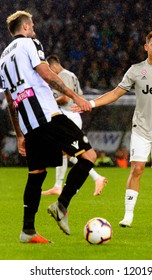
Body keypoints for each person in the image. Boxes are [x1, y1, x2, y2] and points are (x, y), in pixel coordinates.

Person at [0, 11, 95, 244]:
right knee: (88, 156)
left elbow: (11, 101)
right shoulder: (30, 43)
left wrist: (20, 133)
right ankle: (61, 206)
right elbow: (46, 74)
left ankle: (27, 231)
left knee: (37, 174)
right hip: (47, 115)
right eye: (32, 25)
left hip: (29, 123)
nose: (34, 28)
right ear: (25, 26)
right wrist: (75, 97)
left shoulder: (2, 60)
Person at [74, 30, 152, 227]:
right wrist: (91, 104)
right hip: (141, 129)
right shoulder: (135, 70)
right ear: (146, 47)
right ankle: (128, 216)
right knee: (137, 168)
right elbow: (116, 93)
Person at [41, 54, 107, 196]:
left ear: (52, 66)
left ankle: (97, 177)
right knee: (62, 152)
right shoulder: (72, 76)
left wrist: (48, 103)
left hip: (68, 115)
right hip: (70, 116)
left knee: (74, 153)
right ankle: (58, 186)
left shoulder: (64, 75)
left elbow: (65, 98)